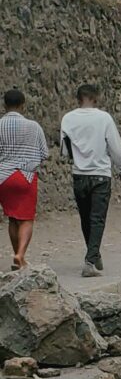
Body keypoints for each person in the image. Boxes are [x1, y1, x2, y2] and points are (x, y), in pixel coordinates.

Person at [62, 83, 121, 274]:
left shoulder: (67, 119)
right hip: (100, 175)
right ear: (96, 98)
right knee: (97, 219)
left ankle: (93, 254)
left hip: (79, 174)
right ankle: (90, 261)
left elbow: (65, 149)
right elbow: (116, 147)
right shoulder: (104, 118)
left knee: (85, 218)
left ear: (78, 98)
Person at [0, 89, 47, 270]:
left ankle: (16, 254)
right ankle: (20, 254)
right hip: (25, 177)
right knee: (26, 219)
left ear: (5, 105)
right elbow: (44, 153)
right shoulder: (34, 126)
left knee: (12, 218)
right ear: (22, 105)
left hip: (3, 177)